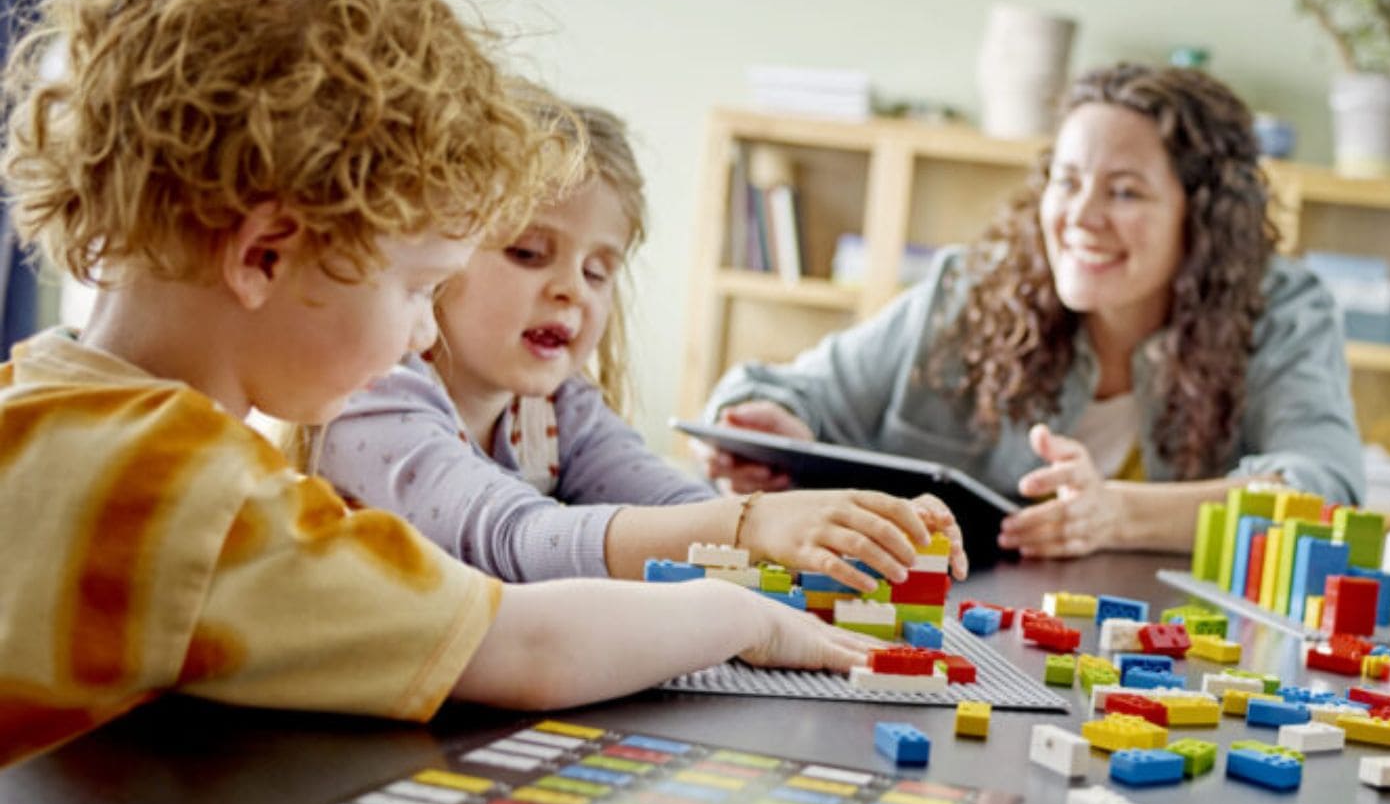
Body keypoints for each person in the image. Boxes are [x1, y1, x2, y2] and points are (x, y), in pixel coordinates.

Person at [0, 0, 872, 769]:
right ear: (266, 253)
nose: (424, 332)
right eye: (417, 287)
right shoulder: (192, 492)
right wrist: (743, 613)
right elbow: (523, 646)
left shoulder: (29, 399)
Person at [704, 63, 1364, 559]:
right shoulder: (976, 289)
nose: (1080, 215)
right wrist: (772, 428)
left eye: (1125, 191)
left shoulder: (1281, 311)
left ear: (1205, 218)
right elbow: (778, 393)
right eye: (1068, 181)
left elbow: (1323, 492)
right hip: (947, 631)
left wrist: (1119, 513)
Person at [316, 97, 965, 593]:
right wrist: (754, 523)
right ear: (442, 252)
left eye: (599, 270)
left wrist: (841, 538)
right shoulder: (374, 393)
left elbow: (675, 506)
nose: (572, 290)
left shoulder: (556, 409)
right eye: (529, 253)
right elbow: (515, 538)